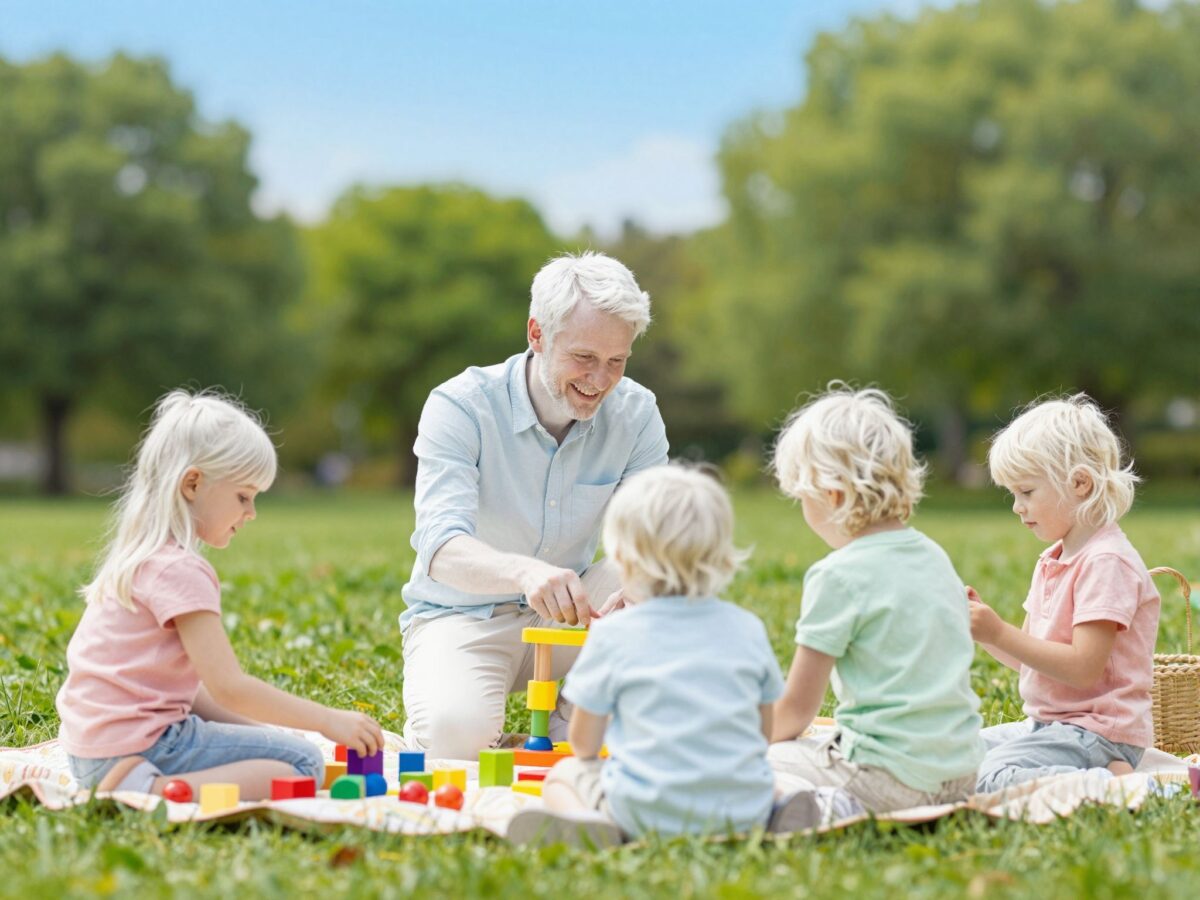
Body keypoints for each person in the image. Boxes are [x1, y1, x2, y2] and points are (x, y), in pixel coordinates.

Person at [400, 251, 669, 759]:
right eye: (584, 357)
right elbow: (440, 547)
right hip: (463, 617)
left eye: (617, 361)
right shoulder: (460, 406)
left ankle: (573, 721)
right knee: (455, 741)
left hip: (576, 612)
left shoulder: (636, 413)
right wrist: (526, 574)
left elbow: (655, 534)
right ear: (537, 334)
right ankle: (464, 724)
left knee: (661, 573)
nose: (600, 379)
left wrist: (640, 590)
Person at [55, 390, 383, 798]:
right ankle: (151, 790)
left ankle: (138, 781)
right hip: (142, 749)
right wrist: (326, 720)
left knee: (282, 751)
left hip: (90, 754)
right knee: (304, 764)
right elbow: (230, 687)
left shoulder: (140, 558)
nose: (251, 513)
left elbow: (191, 693)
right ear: (192, 483)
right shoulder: (180, 571)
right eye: (243, 496)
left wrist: (263, 734)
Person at [508, 465, 792, 847]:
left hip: (642, 811)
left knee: (563, 775)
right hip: (738, 809)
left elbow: (584, 743)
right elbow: (763, 733)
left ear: (623, 559)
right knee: (775, 779)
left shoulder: (612, 634)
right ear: (722, 556)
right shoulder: (747, 627)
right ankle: (779, 810)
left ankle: (590, 823)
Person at [768, 386, 983, 820]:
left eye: (803, 498)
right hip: (960, 775)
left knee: (762, 761)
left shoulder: (837, 575)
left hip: (885, 781)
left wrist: (740, 740)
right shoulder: (934, 556)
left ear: (832, 495)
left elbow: (796, 711)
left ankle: (825, 808)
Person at [968, 395, 1160, 792]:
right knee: (956, 754)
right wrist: (985, 632)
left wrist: (999, 631)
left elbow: (1082, 668)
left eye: (1026, 491)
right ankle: (1101, 775)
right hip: (1051, 726)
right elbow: (1030, 660)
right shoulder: (1054, 559)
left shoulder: (1107, 562)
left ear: (1079, 483)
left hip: (1098, 732)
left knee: (988, 777)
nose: (1017, 507)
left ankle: (1114, 782)